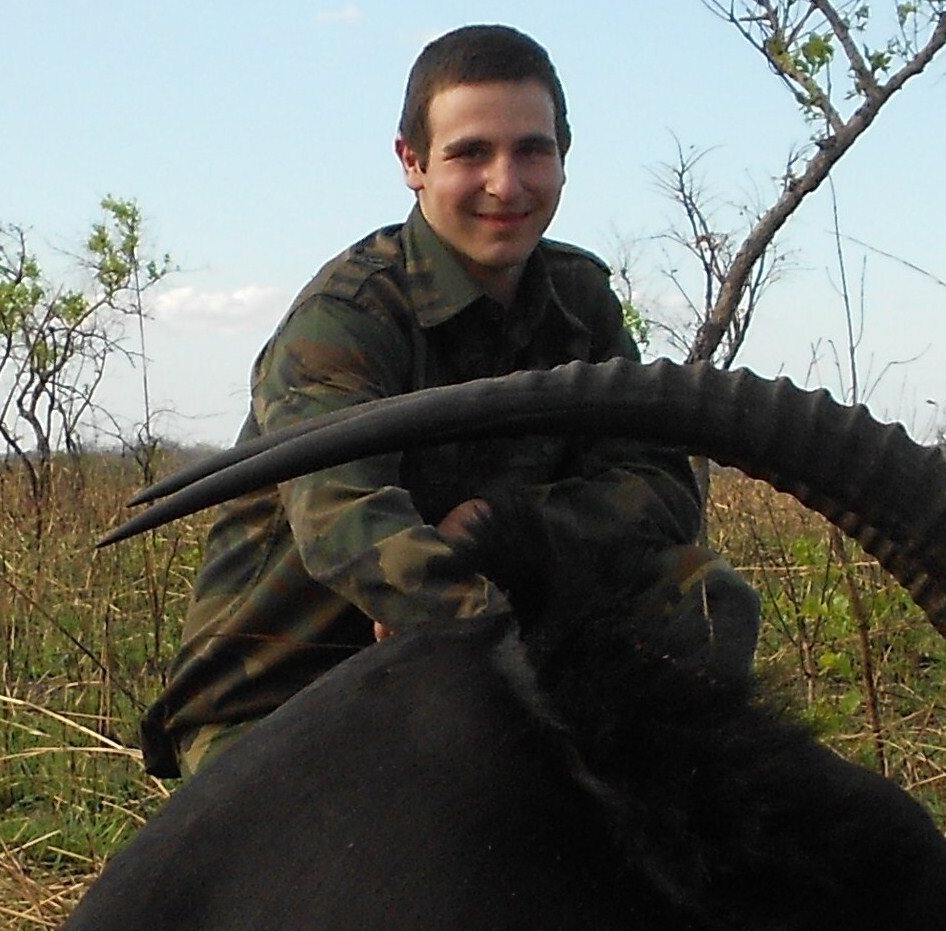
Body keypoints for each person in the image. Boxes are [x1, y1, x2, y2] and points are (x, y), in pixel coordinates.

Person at [140, 23, 759, 778]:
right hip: (289, 687)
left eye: (532, 150)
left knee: (705, 597)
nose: (507, 184)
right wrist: (515, 631)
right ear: (411, 162)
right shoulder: (345, 317)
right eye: (471, 153)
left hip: (485, 632)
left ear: (564, 157)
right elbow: (346, 526)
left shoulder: (579, 298)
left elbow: (661, 485)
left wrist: (508, 529)